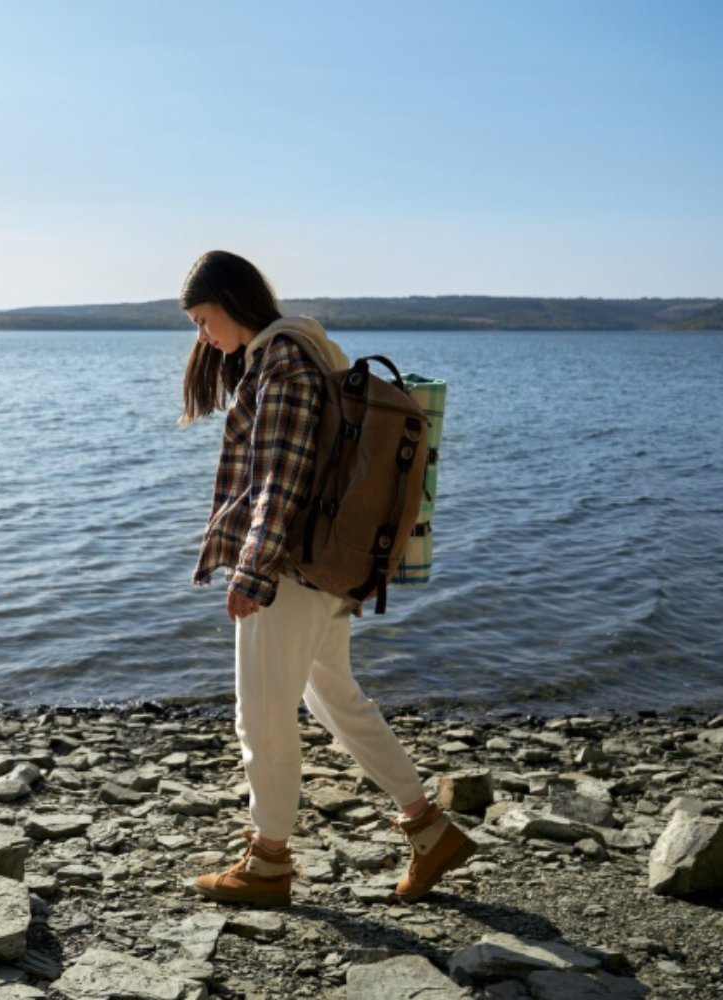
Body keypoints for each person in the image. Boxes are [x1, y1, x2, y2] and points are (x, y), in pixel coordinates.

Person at [179, 249, 475, 907]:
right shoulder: (314, 351)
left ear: (231, 303)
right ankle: (427, 829)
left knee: (260, 716)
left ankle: (269, 862)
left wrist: (252, 573)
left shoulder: (280, 364)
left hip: (290, 568)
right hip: (327, 566)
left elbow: (278, 482)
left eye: (203, 319)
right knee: (333, 697)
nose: (203, 336)